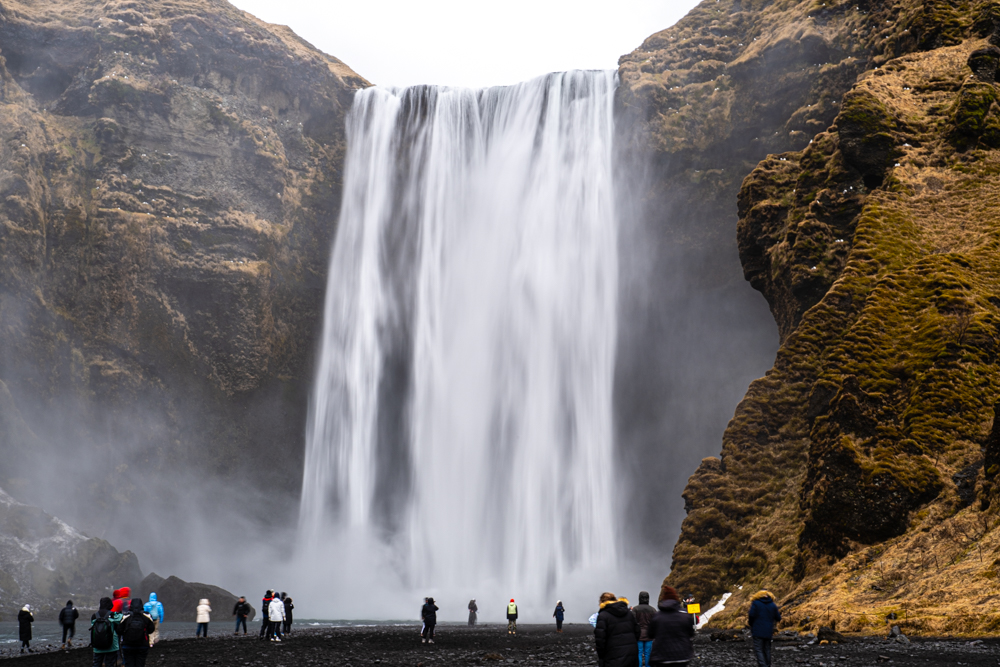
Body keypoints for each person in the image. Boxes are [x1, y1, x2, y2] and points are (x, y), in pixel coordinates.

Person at [647, 584, 694, 667]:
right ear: (676, 598)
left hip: (662, 656)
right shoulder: (685, 615)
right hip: (682, 656)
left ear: (664, 599)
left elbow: (650, 634)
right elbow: (691, 633)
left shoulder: (657, 616)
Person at [594, 592, 639, 667]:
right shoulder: (629, 613)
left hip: (612, 655)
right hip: (631, 654)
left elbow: (600, 639)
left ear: (602, 602)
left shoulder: (603, 616)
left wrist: (601, 656)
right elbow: (637, 631)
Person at [748, 590, 781, 667]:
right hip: (768, 630)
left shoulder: (756, 603)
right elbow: (778, 618)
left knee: (759, 649)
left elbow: (751, 615)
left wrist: (751, 623)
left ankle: (763, 665)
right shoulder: (773, 605)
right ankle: (768, 665)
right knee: (767, 649)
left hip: (757, 629)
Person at [120, 598, 155, 667]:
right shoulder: (147, 616)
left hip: (128, 645)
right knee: (140, 664)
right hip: (142, 645)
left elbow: (119, 630)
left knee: (129, 664)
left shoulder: (126, 616)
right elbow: (151, 629)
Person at [91, 596, 124, 667]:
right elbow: (121, 618)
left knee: (97, 663)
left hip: (97, 645)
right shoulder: (112, 615)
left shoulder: (94, 615)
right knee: (110, 663)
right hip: (111, 644)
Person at [632, 591, 656, 667]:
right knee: (648, 653)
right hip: (649, 635)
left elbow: (632, 622)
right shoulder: (653, 610)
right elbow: (655, 622)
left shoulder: (635, 609)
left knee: (639, 653)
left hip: (638, 635)